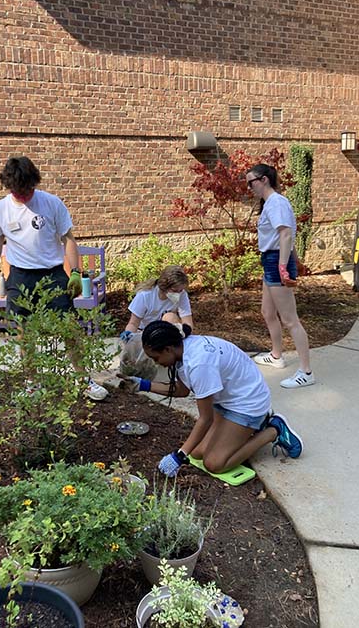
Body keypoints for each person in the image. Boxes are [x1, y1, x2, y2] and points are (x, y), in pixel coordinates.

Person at [0, 155, 108, 401]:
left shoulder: (51, 203)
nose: (23, 195)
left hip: (52, 274)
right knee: (24, 333)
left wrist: (75, 272)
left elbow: (68, 239)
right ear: (9, 186)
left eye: (27, 189)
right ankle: (32, 383)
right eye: (17, 190)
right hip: (19, 277)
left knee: (69, 330)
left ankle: (83, 380)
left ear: (34, 183)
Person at [120, 320, 303, 478]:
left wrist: (179, 455)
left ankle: (273, 430)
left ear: (167, 349)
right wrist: (143, 385)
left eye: (156, 357)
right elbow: (182, 390)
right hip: (227, 400)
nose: (155, 362)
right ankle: (248, 430)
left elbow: (205, 419)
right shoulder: (182, 350)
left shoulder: (199, 364)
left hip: (247, 405)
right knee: (198, 452)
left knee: (214, 464)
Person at [246, 164, 315, 389]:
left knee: (290, 319)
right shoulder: (272, 204)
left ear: (264, 179)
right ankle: (277, 356)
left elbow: (285, 234)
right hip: (272, 261)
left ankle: (306, 371)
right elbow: (285, 235)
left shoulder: (276, 203)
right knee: (267, 312)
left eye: (251, 182)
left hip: (276, 262)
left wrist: (284, 266)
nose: (250, 187)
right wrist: (293, 261)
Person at [119, 265, 193, 342]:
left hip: (164, 330)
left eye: (180, 291)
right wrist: (129, 334)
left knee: (170, 316)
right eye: (174, 290)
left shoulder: (182, 294)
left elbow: (187, 322)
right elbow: (133, 324)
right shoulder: (145, 295)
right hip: (143, 331)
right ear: (164, 287)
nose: (178, 293)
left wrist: (182, 332)